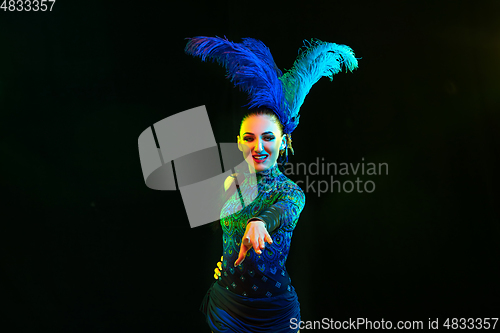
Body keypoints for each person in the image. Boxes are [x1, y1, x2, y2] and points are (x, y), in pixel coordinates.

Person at [185, 36, 359, 333]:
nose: (259, 146)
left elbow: (278, 212)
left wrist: (259, 223)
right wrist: (226, 267)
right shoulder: (232, 184)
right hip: (224, 308)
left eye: (268, 137)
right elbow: (230, 238)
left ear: (283, 142)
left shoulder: (291, 193)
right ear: (239, 143)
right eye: (250, 138)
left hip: (271, 315)